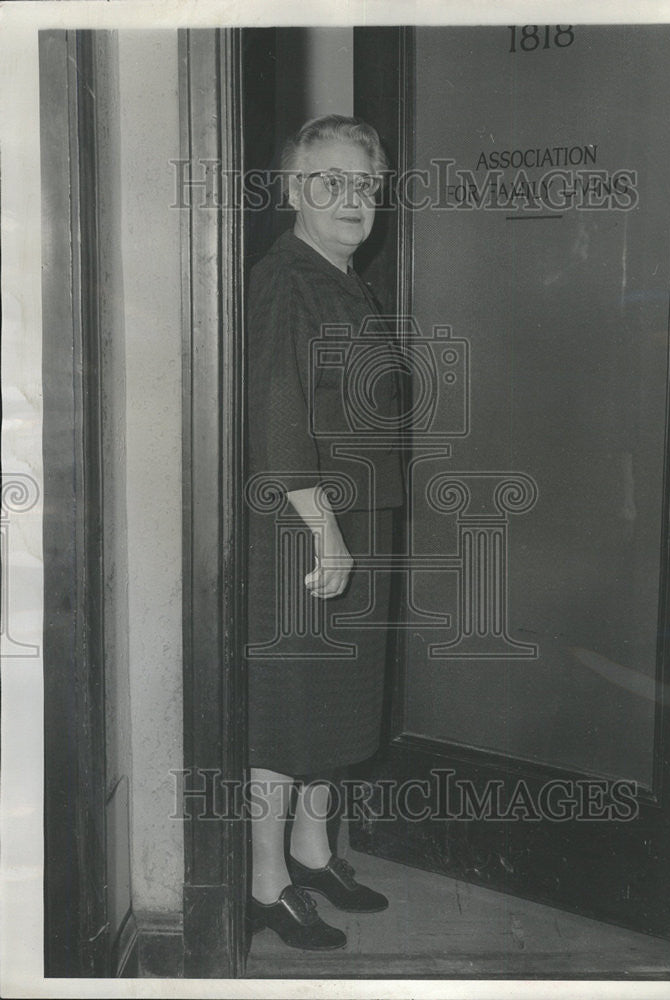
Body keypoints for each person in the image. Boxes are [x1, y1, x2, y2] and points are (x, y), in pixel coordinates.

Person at [244, 115, 405, 951]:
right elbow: (276, 414)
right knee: (287, 714)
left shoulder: (345, 276)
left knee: (335, 709)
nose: (353, 199)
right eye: (330, 181)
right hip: (305, 529)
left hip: (352, 523)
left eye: (366, 184)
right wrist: (325, 532)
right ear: (292, 190)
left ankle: (311, 853)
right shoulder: (285, 280)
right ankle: (265, 883)